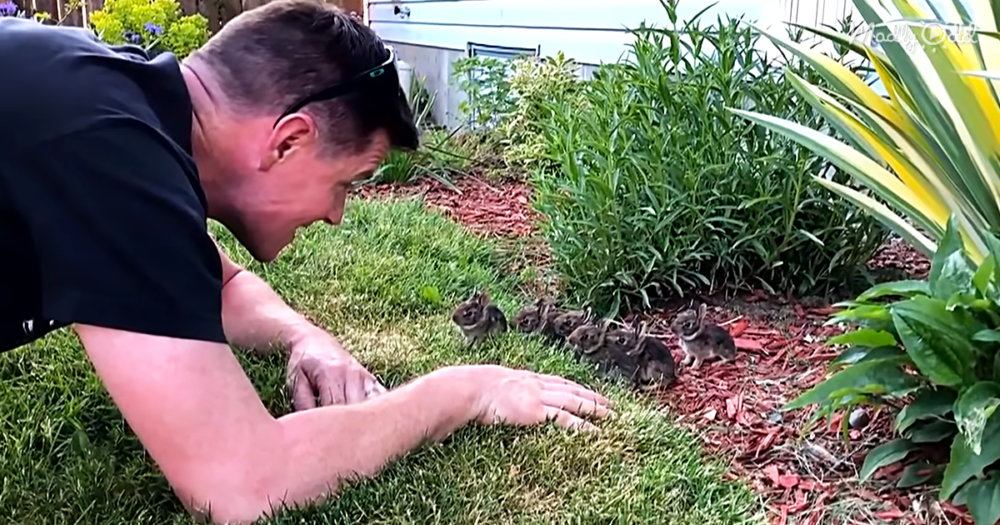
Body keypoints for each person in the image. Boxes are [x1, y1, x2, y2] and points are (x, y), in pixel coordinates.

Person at [0, 0, 610, 523]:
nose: (337, 214)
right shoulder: (109, 149)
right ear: (289, 140)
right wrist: (464, 391)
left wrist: (304, 337)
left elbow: (220, 282)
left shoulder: (103, 103)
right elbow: (242, 484)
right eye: (348, 182)